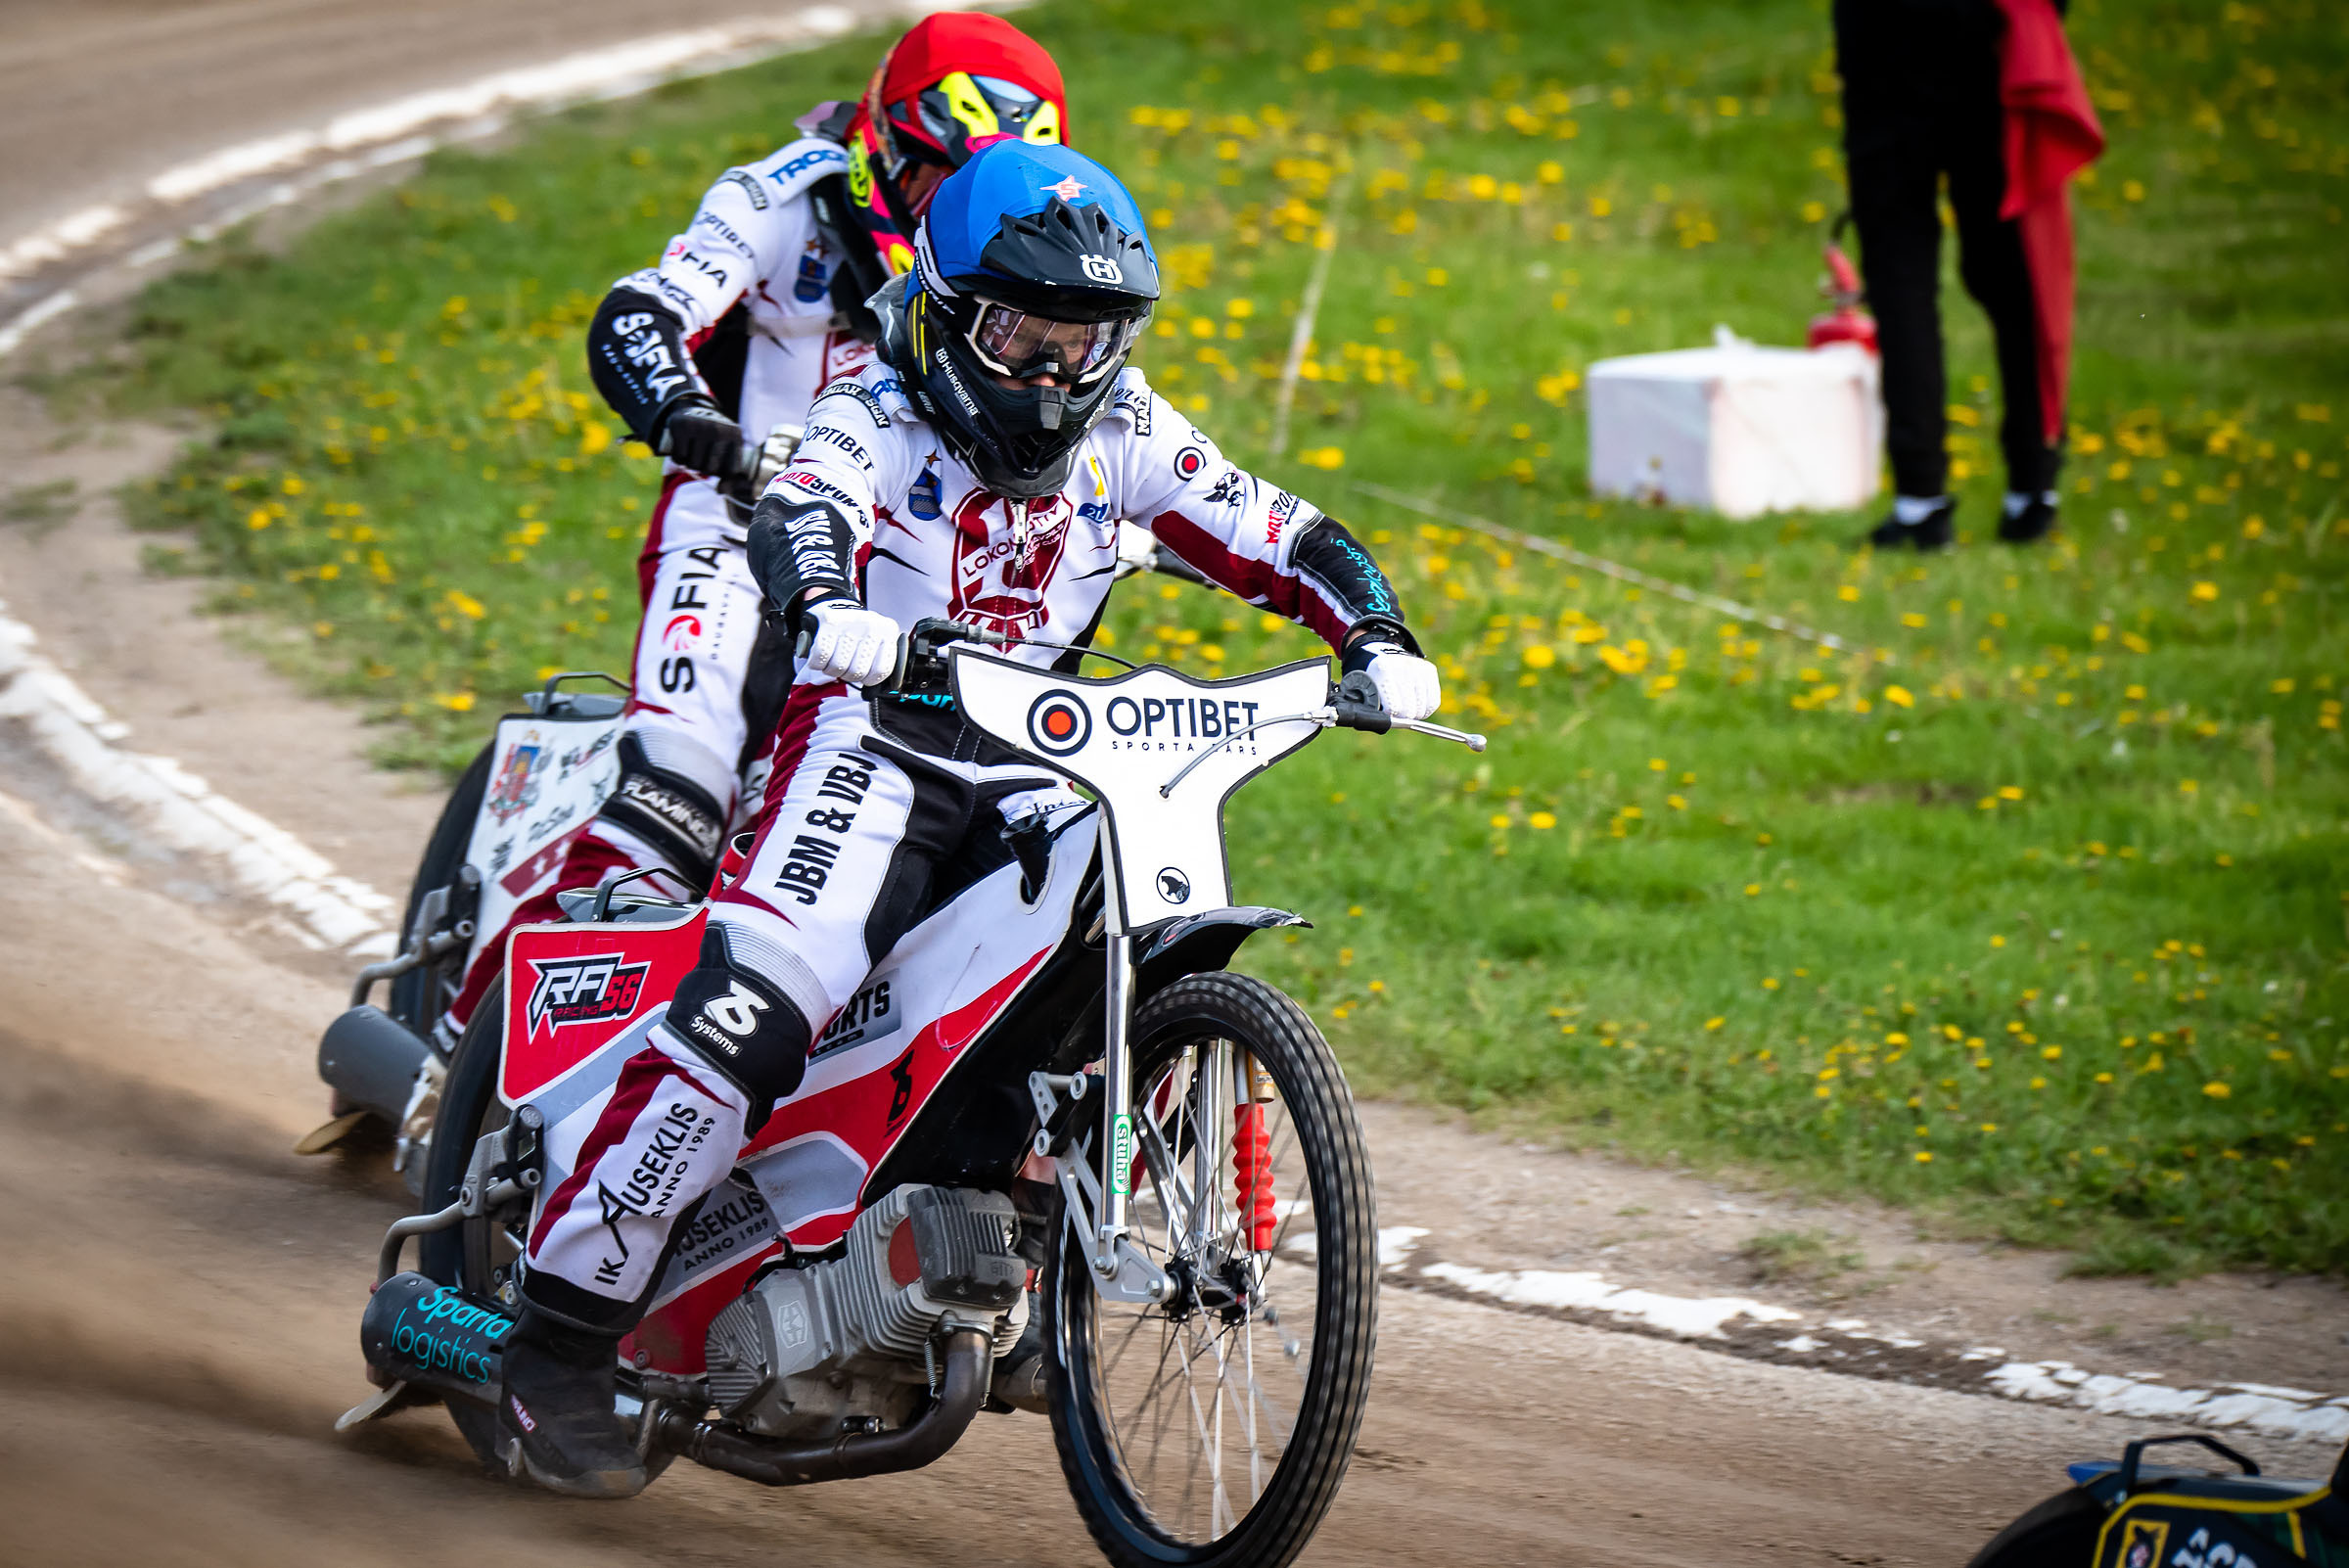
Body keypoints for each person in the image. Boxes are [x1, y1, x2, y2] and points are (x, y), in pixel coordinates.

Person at [495, 139, 1442, 1498]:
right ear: (945, 312)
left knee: (1121, 931)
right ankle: (559, 1332)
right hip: (868, 750)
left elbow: (1280, 528)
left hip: (1037, 764)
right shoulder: (871, 410)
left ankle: (1037, 1216)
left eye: (1087, 340)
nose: (1056, 373)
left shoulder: (1130, 435)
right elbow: (807, 512)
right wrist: (831, 611)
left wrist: (1377, 630)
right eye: (1022, 334)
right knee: (761, 1004)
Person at [436, 11, 1070, 1044]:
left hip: (897, 586)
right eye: (931, 179)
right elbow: (643, 310)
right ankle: (472, 1065)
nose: (945, 211)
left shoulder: (1018, 272)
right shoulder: (783, 194)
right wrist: (693, 420)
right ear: (883, 140)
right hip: (732, 530)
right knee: (673, 800)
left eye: (976, 193)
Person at [1839, 0, 2089, 551]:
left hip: (1894, 47)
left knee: (1905, 278)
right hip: (1986, 39)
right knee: (2012, 273)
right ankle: (2032, 488)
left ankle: (1923, 501)